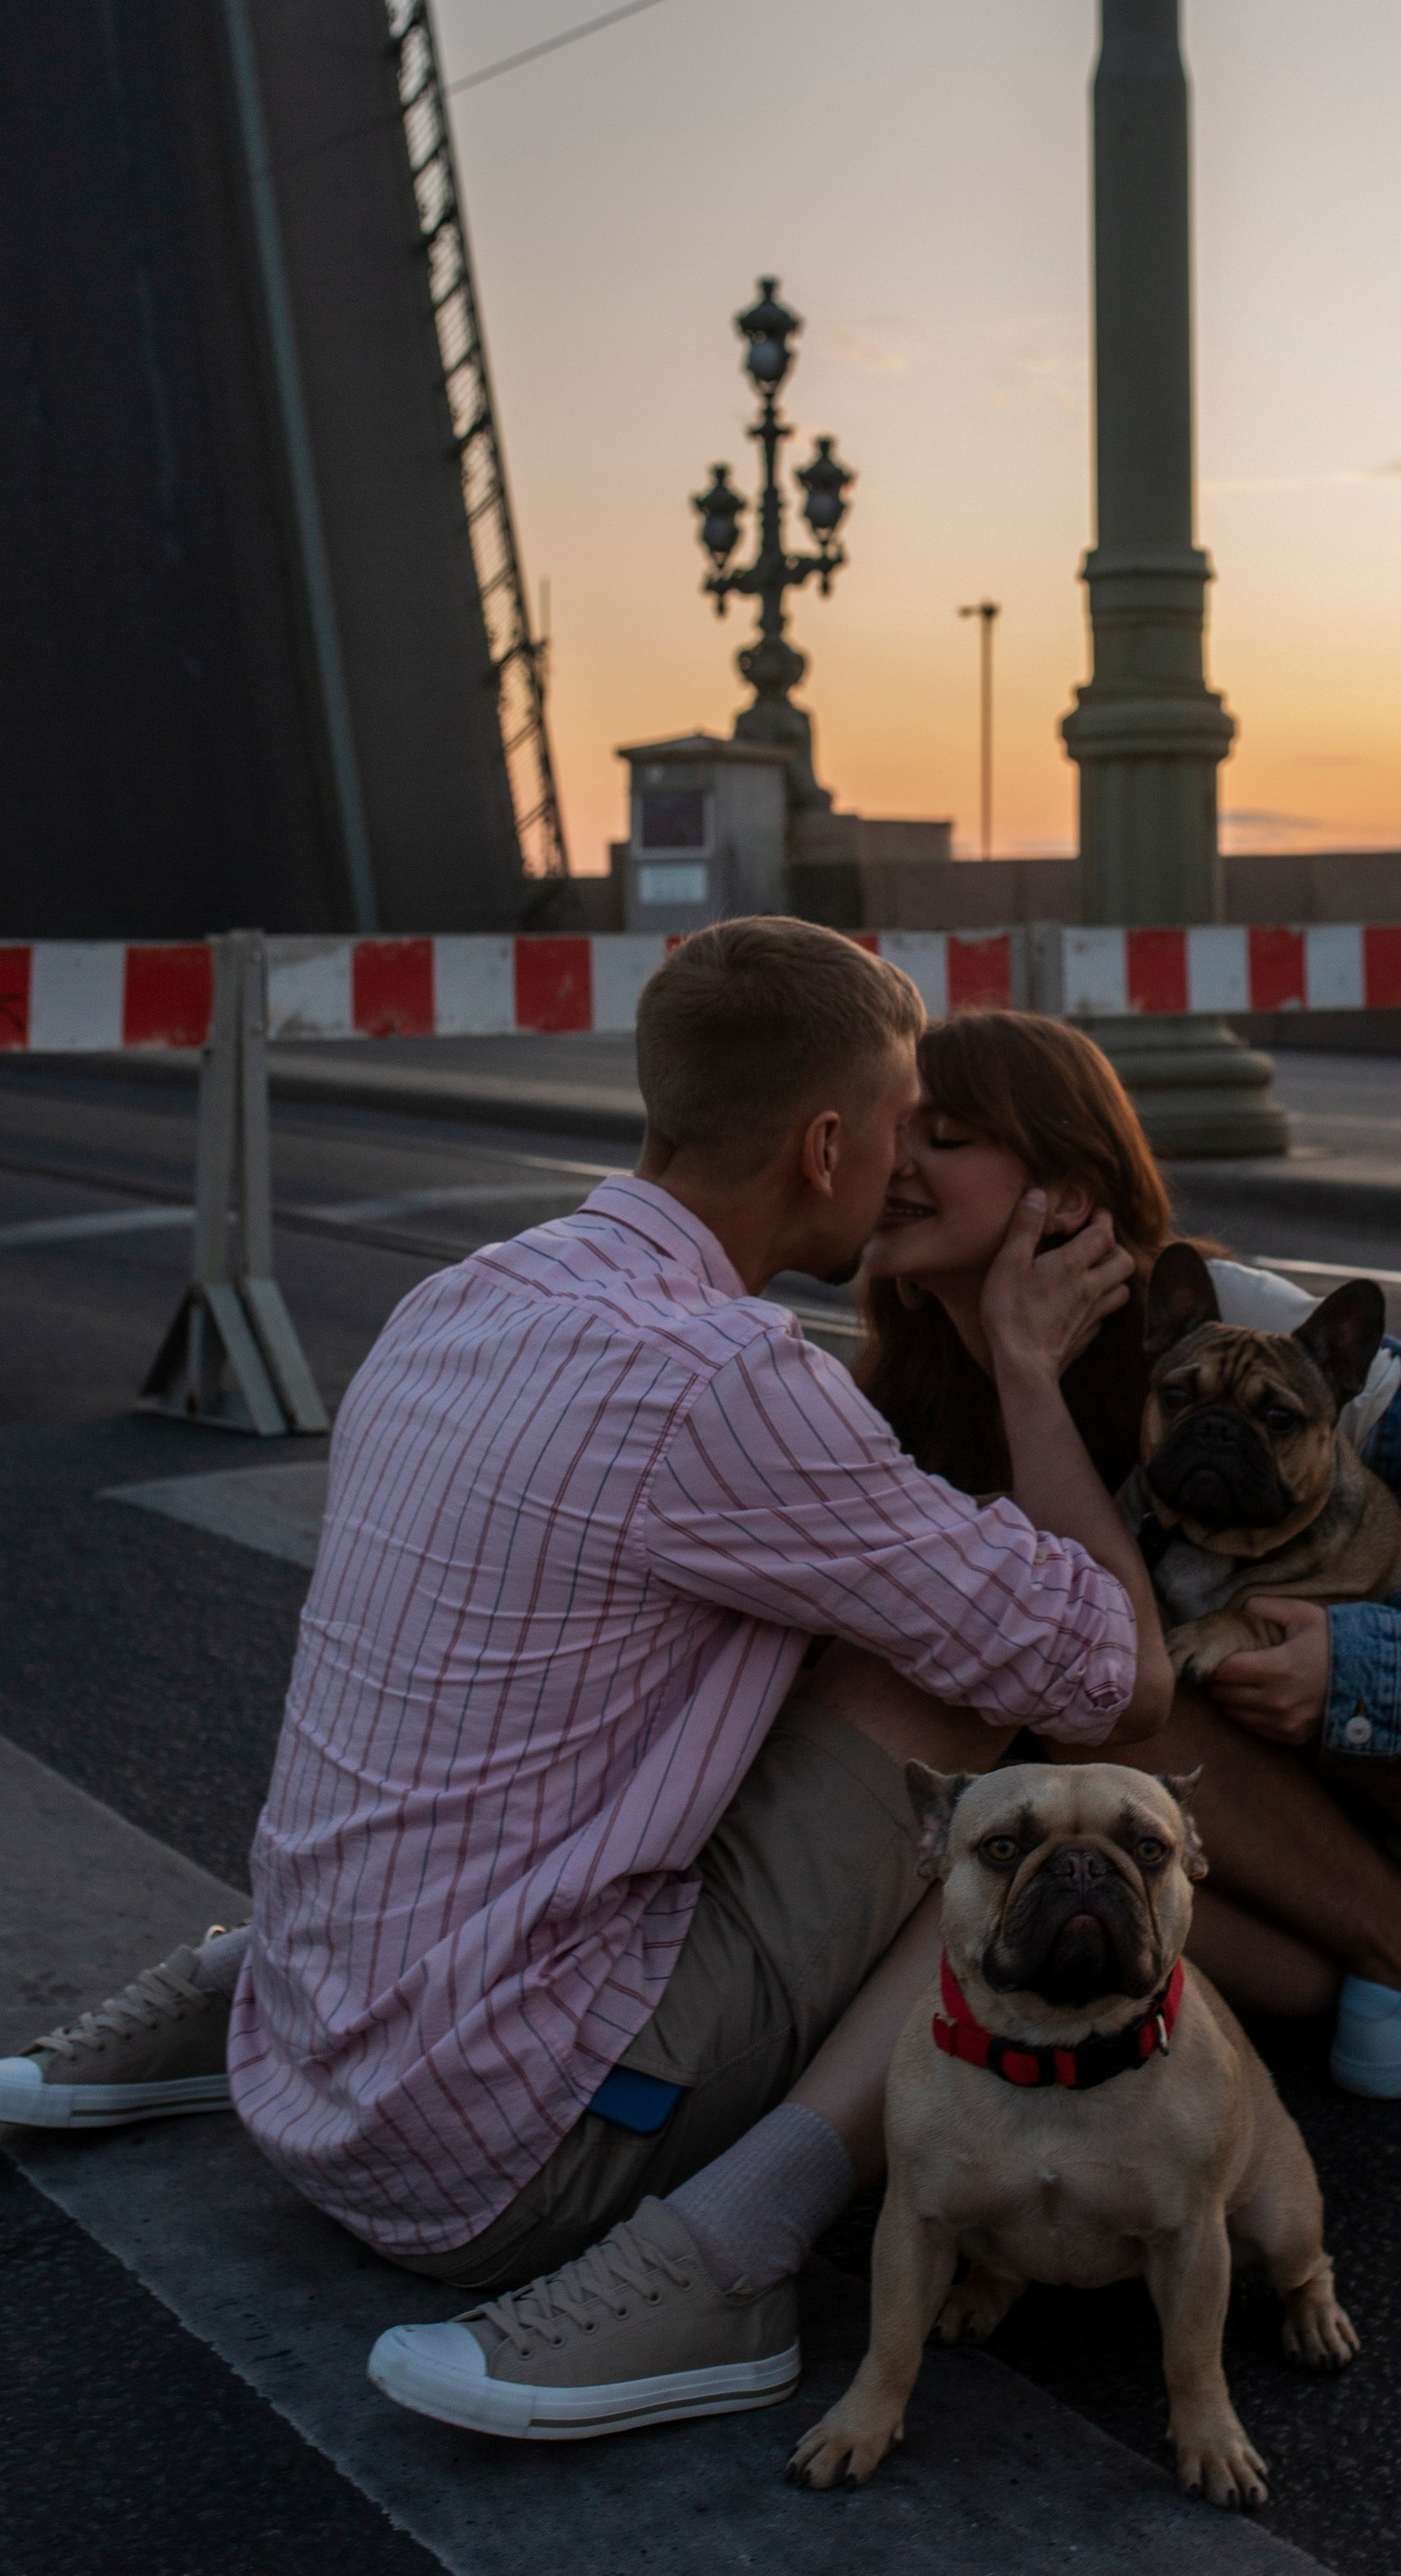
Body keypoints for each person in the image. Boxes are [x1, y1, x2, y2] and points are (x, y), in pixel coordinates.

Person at [2, 922, 1174, 2445]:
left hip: (315, 2068)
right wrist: (1027, 1368)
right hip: (504, 2163)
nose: (900, 1169)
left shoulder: (464, 1296)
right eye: (896, 1127)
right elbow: (1110, 1675)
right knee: (968, 1696)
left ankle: (247, 1976)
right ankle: (731, 2261)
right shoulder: (732, 1384)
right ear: (825, 1144)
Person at [855, 1006, 1401, 2091]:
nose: (892, 1164)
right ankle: (1381, 1961)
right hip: (1187, 1832)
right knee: (1300, 1978)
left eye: (941, 1139)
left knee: (1094, 1669)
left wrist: (1362, 1657)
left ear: (1067, 1195)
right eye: (889, 1131)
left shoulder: (1234, 1327)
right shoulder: (901, 1380)